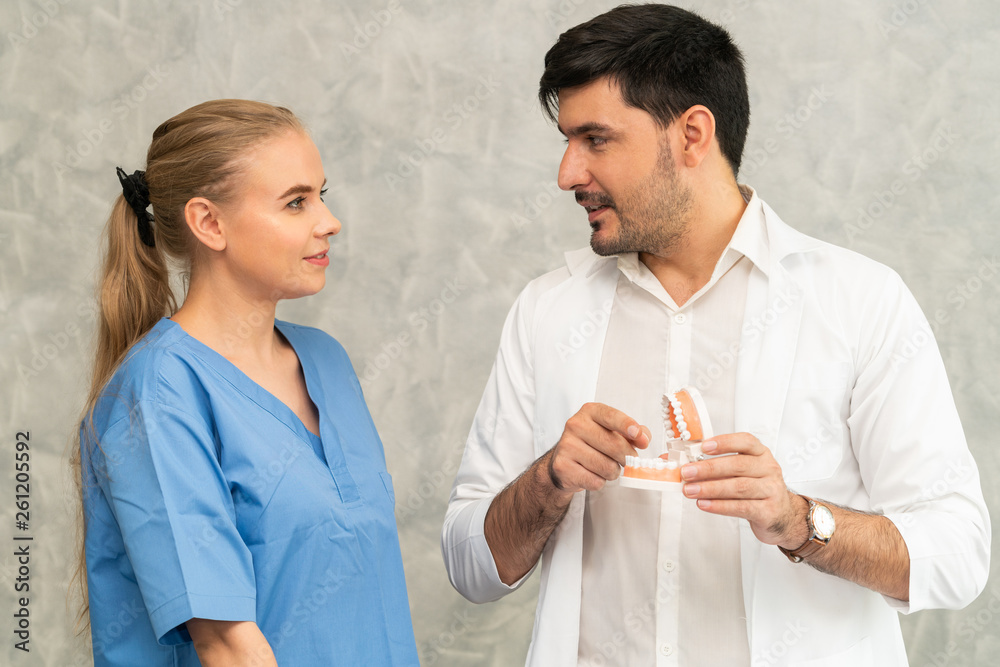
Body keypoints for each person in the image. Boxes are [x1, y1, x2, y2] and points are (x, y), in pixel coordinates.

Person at [441, 5, 989, 666]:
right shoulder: (546, 311)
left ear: (692, 135)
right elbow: (470, 565)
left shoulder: (859, 303)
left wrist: (798, 519)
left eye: (596, 139)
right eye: (567, 140)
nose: (567, 173)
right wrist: (545, 482)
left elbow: (958, 554)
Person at [72, 99, 419, 666]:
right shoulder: (158, 395)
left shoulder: (325, 361)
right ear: (209, 222)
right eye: (296, 202)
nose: (328, 221)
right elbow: (227, 646)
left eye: (321, 195)